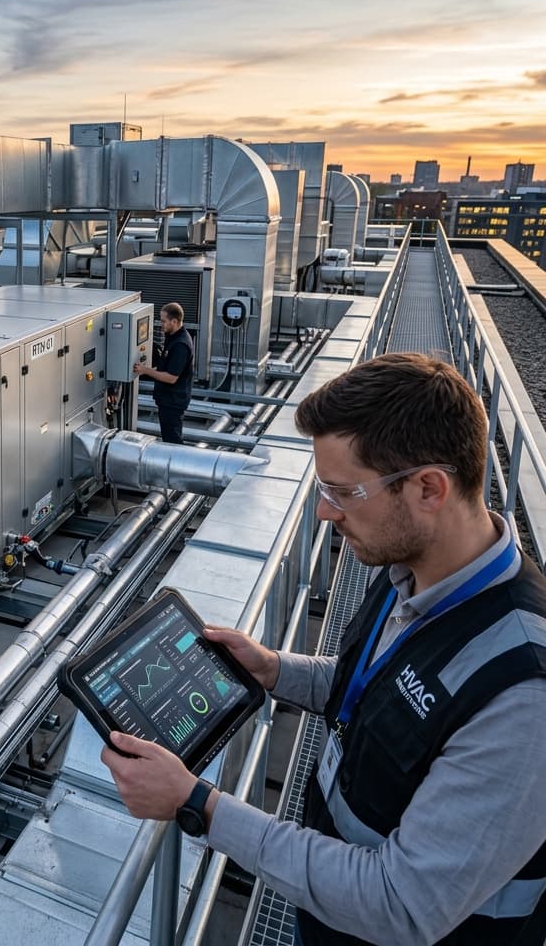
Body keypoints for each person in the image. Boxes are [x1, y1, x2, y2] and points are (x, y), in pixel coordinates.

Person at [101, 352, 546, 945]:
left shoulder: (525, 692)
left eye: (341, 492)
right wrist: (275, 669)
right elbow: (383, 690)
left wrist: (199, 805)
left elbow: (401, 904)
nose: (323, 511)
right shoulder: (413, 574)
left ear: (428, 489)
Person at [133, 301, 194, 444]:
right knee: (168, 436)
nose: (161, 324)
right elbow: (164, 366)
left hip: (173, 402)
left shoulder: (180, 345)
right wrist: (145, 370)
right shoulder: (173, 336)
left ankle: (175, 462)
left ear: (175, 321)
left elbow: (171, 377)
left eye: (164, 321)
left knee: (172, 439)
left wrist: (145, 370)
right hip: (167, 399)